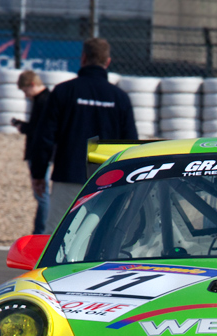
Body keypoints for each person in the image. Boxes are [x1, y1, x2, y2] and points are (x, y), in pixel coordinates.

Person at [30, 37, 137, 234]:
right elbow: (131, 144)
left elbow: (44, 138)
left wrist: (38, 174)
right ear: (107, 62)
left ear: (83, 58)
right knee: (99, 236)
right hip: (106, 177)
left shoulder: (64, 91)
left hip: (69, 174)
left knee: (56, 235)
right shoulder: (120, 98)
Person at [11, 70, 52, 234]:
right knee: (42, 195)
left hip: (39, 152)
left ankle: (41, 232)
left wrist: (23, 127)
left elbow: (38, 131)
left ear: (32, 85)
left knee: (42, 195)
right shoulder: (42, 100)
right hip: (40, 151)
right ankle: (42, 230)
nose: (25, 95)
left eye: (25, 90)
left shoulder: (43, 101)